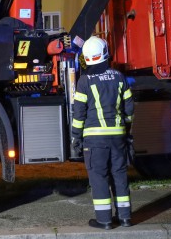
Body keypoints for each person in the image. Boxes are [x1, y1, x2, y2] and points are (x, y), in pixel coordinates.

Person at [71, 36, 134, 230]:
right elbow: (129, 108)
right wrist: (127, 129)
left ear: (87, 58)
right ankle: (125, 218)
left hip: (95, 139)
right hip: (118, 136)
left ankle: (104, 220)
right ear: (105, 54)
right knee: (119, 175)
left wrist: (76, 136)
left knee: (99, 177)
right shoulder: (118, 77)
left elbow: (79, 113)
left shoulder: (84, 81)